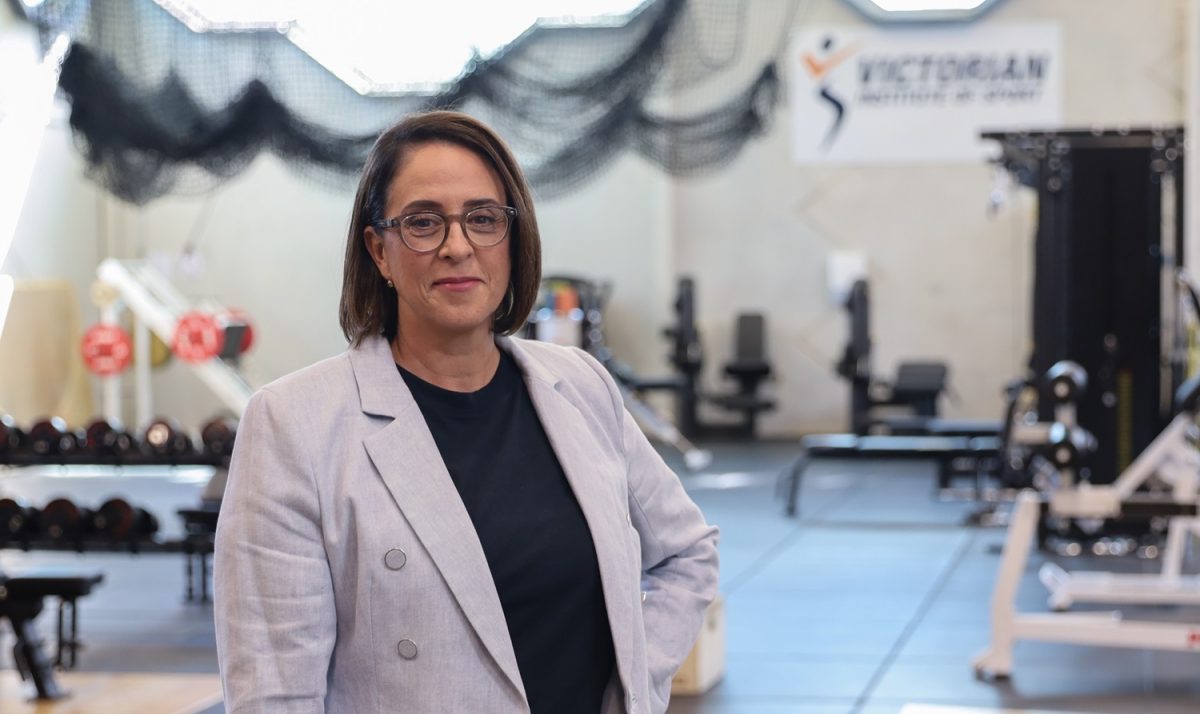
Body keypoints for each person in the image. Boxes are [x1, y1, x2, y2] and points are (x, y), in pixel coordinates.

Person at [214, 110, 719, 714]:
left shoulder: (579, 386)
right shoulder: (294, 423)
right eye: (423, 223)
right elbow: (275, 690)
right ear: (379, 250)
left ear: (512, 237)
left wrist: (634, 684)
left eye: (482, 219)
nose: (458, 247)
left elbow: (687, 554)